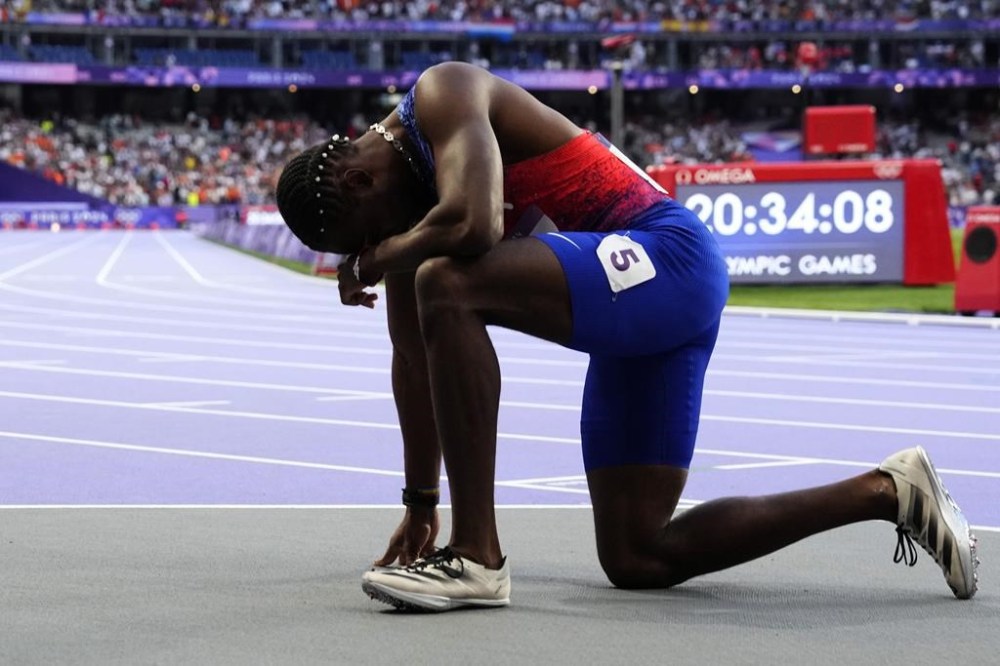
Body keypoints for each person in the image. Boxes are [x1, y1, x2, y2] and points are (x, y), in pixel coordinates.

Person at [275, 62, 978, 612]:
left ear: (364, 178)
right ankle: (889, 491)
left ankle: (478, 557)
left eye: (366, 235)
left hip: (669, 257)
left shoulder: (443, 93)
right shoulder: (405, 209)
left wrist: (375, 257)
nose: (377, 249)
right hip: (638, 305)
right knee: (640, 554)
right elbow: (412, 358)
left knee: (445, 281)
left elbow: (476, 227)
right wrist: (418, 502)